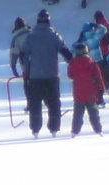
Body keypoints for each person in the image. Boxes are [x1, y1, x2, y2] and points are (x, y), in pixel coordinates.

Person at [23, 10, 72, 138]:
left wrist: (26, 72)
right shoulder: (54, 36)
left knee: (35, 103)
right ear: (49, 20)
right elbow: (66, 53)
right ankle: (54, 128)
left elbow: (24, 55)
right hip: (52, 75)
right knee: (54, 102)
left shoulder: (31, 37)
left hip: (35, 76)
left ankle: (35, 129)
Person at [67, 44, 105, 137]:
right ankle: (98, 130)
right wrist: (102, 88)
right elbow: (98, 77)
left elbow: (70, 75)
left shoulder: (73, 63)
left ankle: (74, 131)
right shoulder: (92, 62)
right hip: (91, 91)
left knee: (78, 114)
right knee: (93, 113)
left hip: (78, 92)